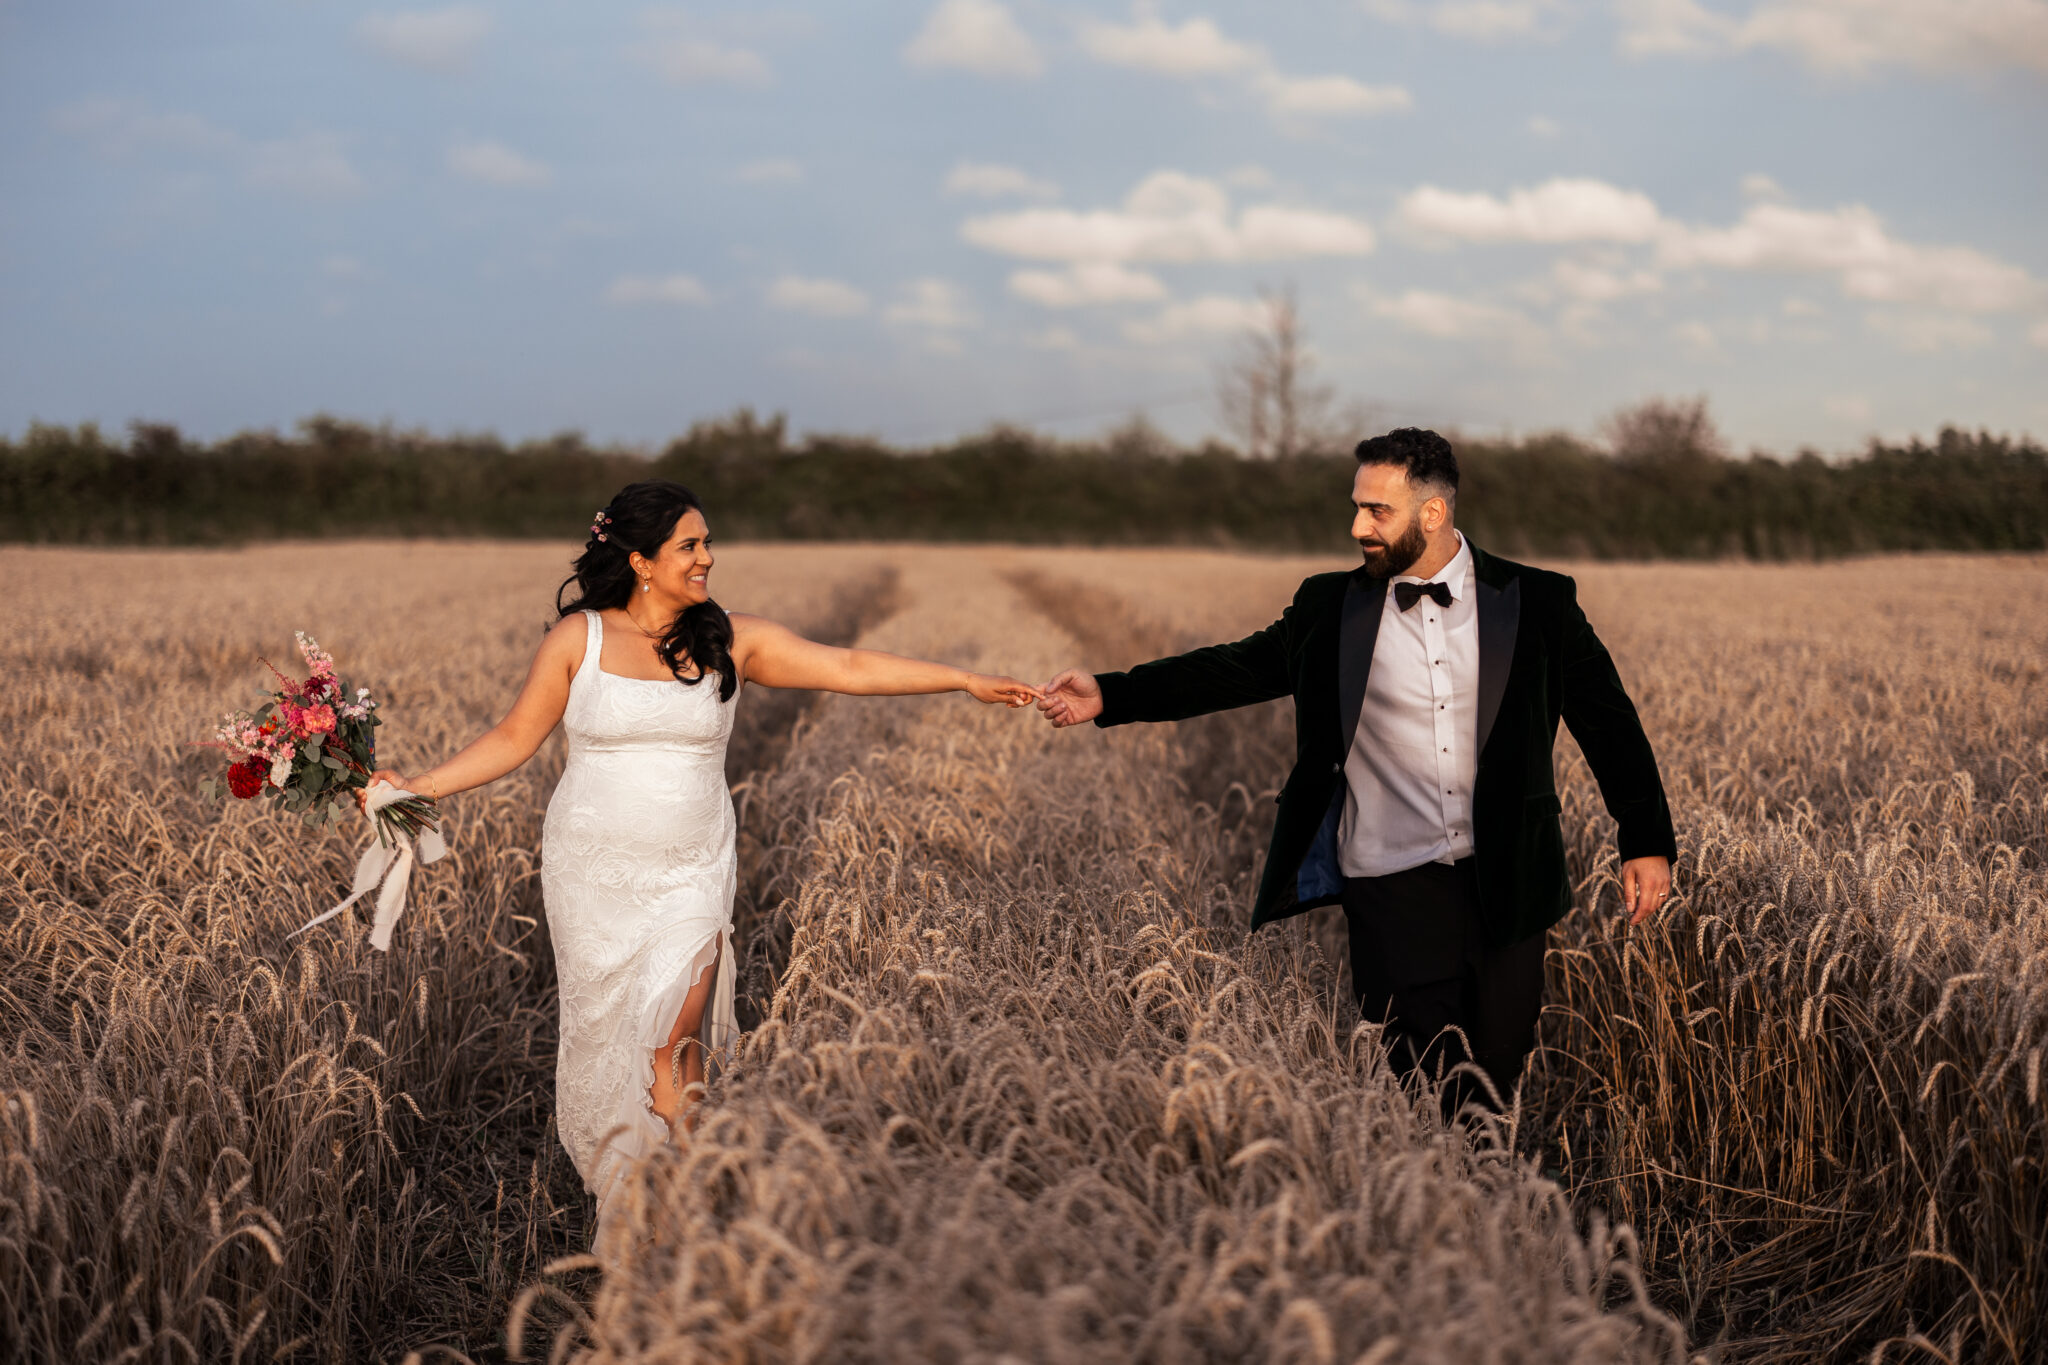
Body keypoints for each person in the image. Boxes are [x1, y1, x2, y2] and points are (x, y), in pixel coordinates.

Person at [366, 479, 1038, 1227]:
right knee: (609, 1034)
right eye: (691, 544)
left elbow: (845, 667)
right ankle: (649, 1201)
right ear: (641, 559)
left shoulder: (732, 638)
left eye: (707, 542)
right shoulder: (577, 642)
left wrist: (965, 681)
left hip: (692, 872)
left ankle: (691, 1210)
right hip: (591, 876)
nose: (708, 557)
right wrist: (418, 786)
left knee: (672, 1034)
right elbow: (512, 739)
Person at [1037, 428, 1675, 1113]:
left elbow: (1607, 719)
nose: (1356, 526)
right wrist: (1112, 693)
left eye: (1377, 510)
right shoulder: (1331, 608)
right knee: (1423, 1081)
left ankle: (1486, 1194)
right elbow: (1234, 668)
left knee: (1500, 1061)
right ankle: (1440, 1197)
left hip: (1510, 876)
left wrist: (1645, 838)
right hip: (1391, 883)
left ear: (1432, 513)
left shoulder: (1539, 602)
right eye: (1357, 506)